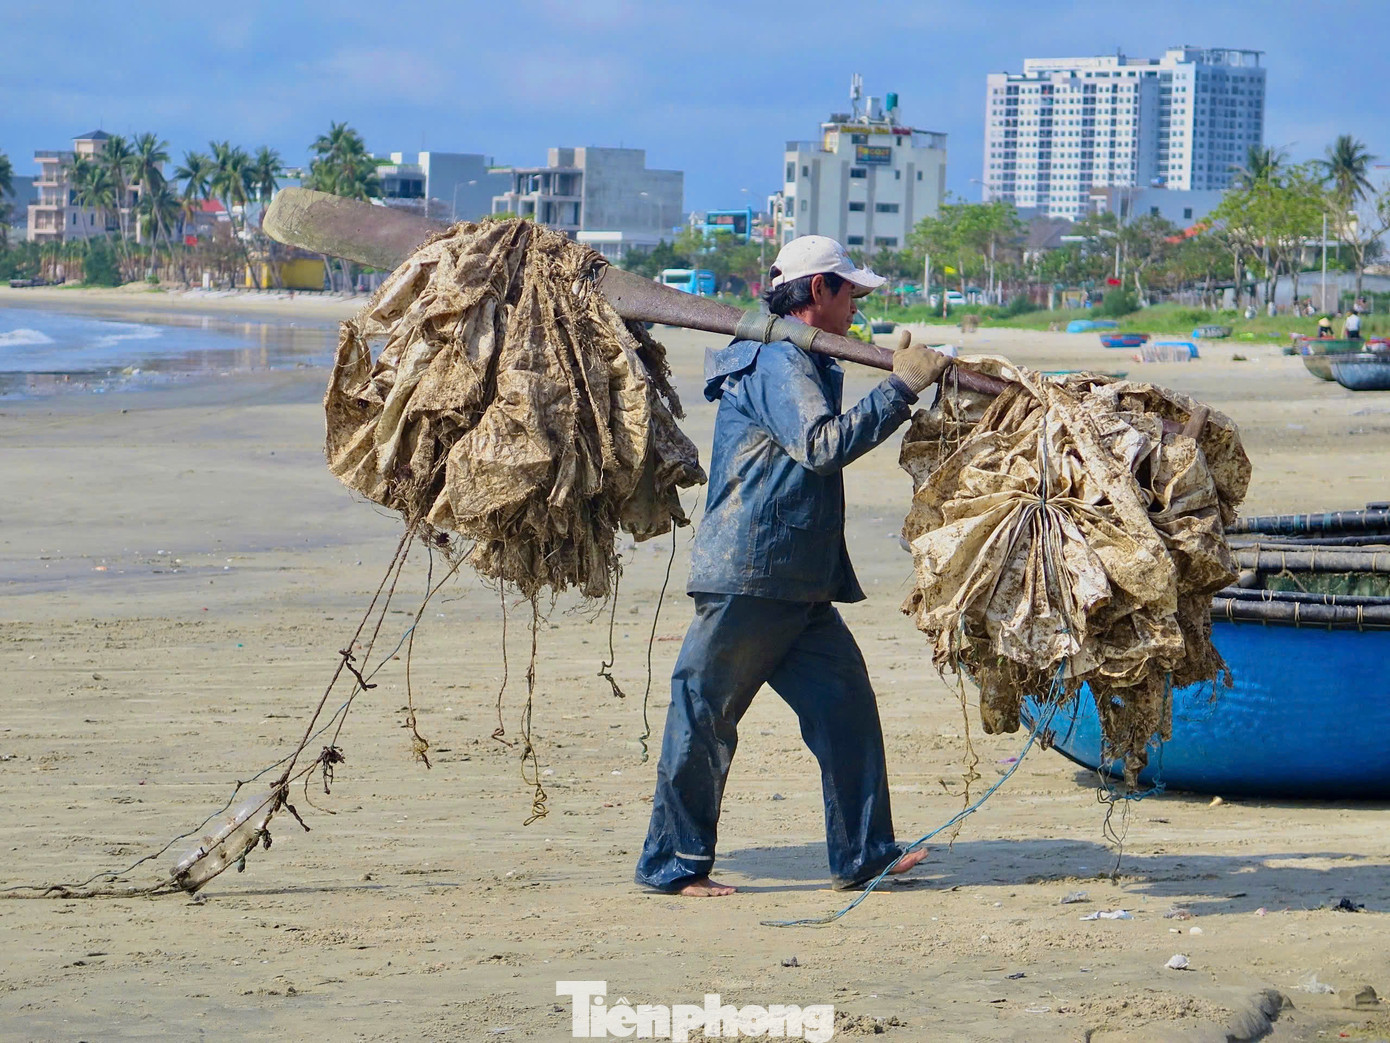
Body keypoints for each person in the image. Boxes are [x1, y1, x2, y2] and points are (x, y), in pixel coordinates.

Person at [635, 235, 949, 897]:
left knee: (847, 710)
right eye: (850, 293)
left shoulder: (798, 358)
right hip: (751, 572)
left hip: (797, 581)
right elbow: (820, 444)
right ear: (817, 293)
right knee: (704, 713)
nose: (857, 305)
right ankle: (672, 864)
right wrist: (899, 389)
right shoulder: (778, 361)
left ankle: (865, 854)